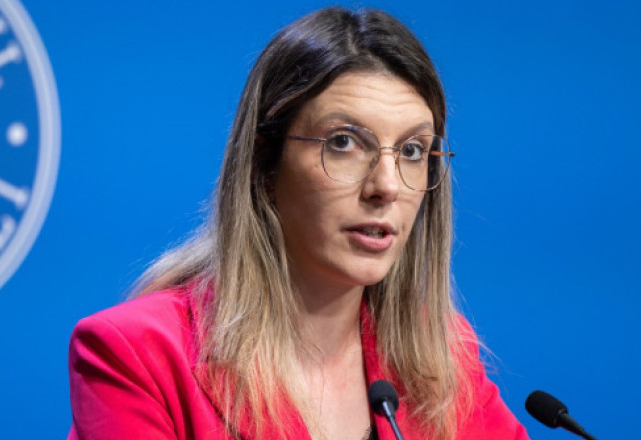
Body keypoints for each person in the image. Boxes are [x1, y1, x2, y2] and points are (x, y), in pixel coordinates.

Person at [67, 7, 529, 440]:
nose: (387, 186)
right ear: (264, 167)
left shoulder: (441, 359)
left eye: (411, 150)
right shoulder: (138, 355)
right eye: (344, 142)